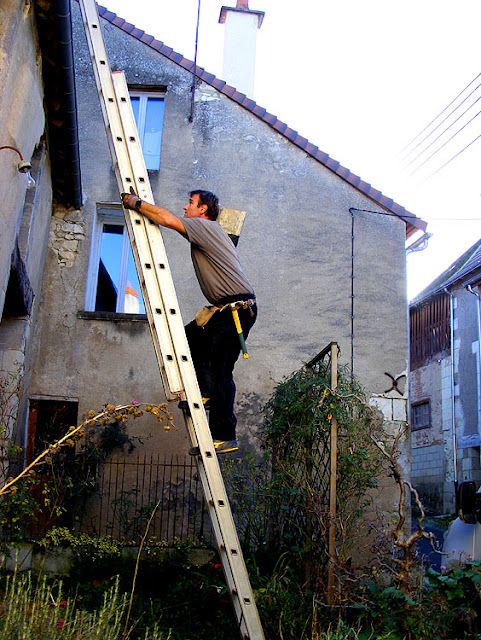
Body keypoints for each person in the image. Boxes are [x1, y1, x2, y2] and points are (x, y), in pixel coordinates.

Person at [121, 189, 257, 455]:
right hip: (222, 310)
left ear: (203, 209)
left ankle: (225, 435)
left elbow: (169, 220)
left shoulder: (207, 227)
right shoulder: (203, 231)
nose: (185, 207)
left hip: (236, 311)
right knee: (189, 338)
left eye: (191, 203)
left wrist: (137, 203)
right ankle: (204, 393)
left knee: (221, 371)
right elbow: (174, 223)